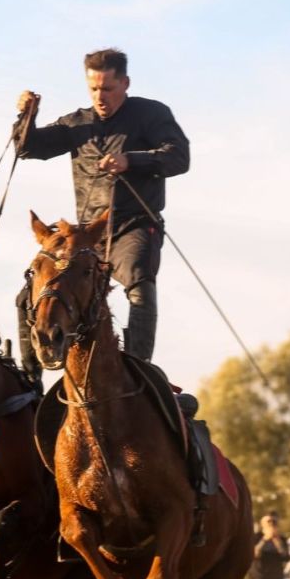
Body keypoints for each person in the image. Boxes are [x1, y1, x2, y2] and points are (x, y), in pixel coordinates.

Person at [14, 47, 190, 382]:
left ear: (125, 83)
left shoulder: (151, 114)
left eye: (107, 88)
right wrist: (26, 117)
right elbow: (27, 148)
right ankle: (29, 380)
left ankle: (137, 370)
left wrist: (131, 160)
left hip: (134, 226)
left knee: (139, 286)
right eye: (93, 88)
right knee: (30, 292)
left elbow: (179, 157)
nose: (100, 96)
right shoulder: (76, 124)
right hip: (86, 237)